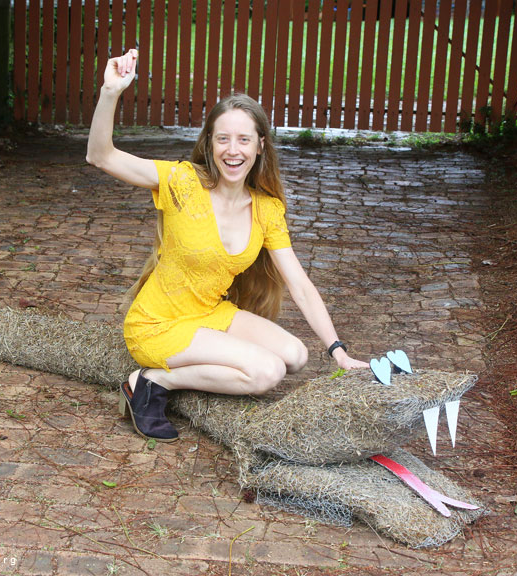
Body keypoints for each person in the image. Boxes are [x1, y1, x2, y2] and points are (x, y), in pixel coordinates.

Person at [87, 49, 368, 443]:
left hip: (210, 314)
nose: (232, 150)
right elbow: (100, 156)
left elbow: (300, 285)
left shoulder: (267, 210)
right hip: (158, 324)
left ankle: (163, 378)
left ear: (260, 146)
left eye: (243, 139)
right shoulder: (182, 182)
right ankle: (151, 382)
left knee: (297, 356)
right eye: (223, 138)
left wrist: (338, 351)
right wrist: (110, 92)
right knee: (266, 372)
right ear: (210, 143)